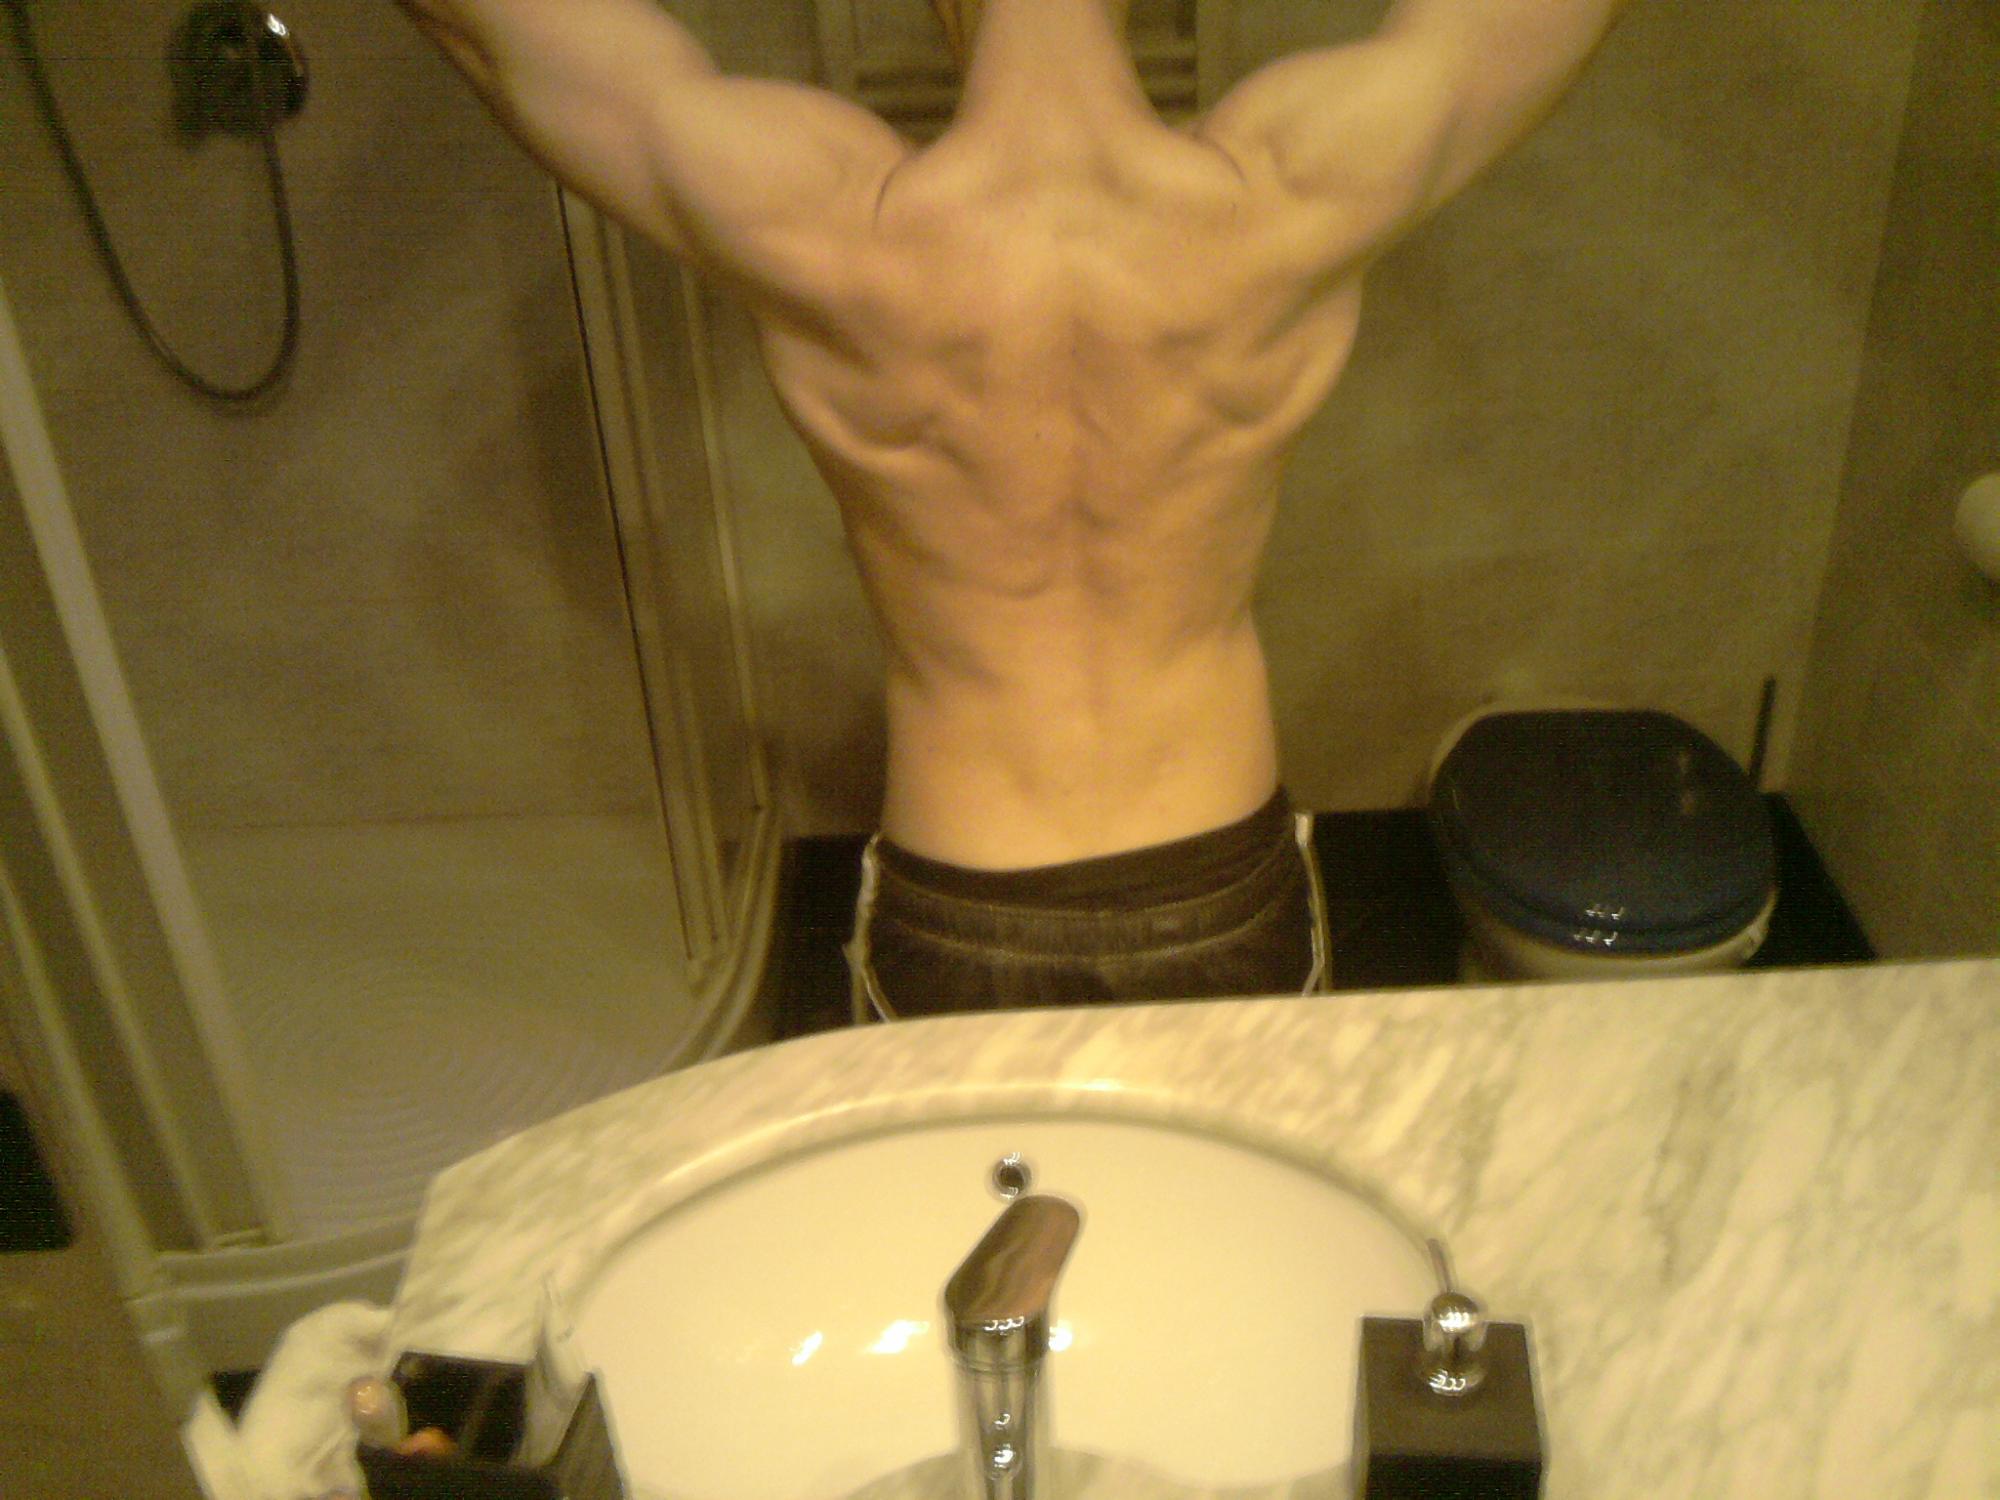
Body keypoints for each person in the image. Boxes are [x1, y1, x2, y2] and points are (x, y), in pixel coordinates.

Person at [395, 0, 1630, 1020]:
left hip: (960, 890)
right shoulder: (1289, 189)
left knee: (981, 1245)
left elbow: (487, 28)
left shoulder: (819, 216)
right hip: (1217, 875)